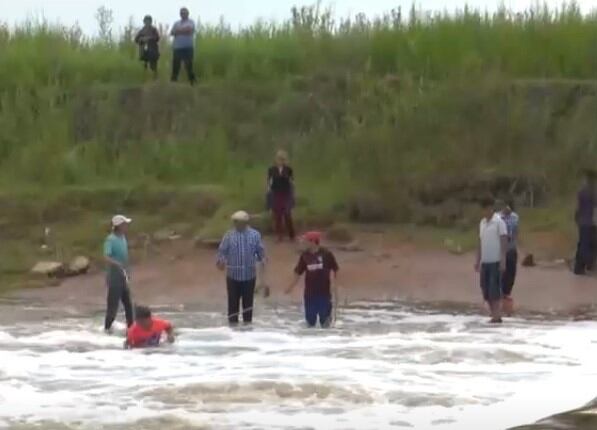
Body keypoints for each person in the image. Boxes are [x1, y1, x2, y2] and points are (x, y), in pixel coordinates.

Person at [217, 211, 266, 325]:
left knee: (248, 306)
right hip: (233, 276)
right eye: (235, 222)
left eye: (238, 222)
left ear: (245, 222)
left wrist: (263, 277)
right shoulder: (229, 235)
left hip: (249, 276)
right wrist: (221, 261)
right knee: (232, 305)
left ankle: (247, 330)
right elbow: (222, 252)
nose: (236, 224)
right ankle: (233, 332)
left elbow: (261, 253)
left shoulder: (255, 235)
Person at [285, 232, 339, 328]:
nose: (304, 243)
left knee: (325, 321)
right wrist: (290, 287)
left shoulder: (327, 254)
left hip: (324, 293)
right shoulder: (304, 256)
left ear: (313, 242)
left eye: (306, 241)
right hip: (310, 293)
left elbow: (335, 269)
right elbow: (298, 272)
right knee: (310, 322)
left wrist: (334, 285)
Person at [475, 199, 508, 324]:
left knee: (494, 289)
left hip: (496, 261)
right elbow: (480, 242)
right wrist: (477, 260)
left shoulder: (499, 222)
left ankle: (497, 315)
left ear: (490, 208)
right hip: (485, 261)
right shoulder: (482, 223)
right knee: (485, 289)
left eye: (485, 209)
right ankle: (494, 313)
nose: (484, 212)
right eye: (482, 209)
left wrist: (503, 259)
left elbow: (504, 240)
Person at [104, 215, 134, 333]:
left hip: (123, 276)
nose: (127, 226)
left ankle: (131, 329)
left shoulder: (123, 238)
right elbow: (106, 256)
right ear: (119, 226)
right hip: (114, 277)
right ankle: (107, 329)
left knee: (128, 305)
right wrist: (118, 264)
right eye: (125, 224)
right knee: (113, 306)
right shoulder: (110, 239)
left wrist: (127, 271)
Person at [267, 150, 296, 242]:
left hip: (286, 193)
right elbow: (269, 182)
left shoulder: (288, 169)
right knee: (277, 215)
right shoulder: (272, 169)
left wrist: (293, 194)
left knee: (287, 214)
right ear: (276, 159)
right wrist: (269, 192)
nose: (280, 161)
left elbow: (292, 182)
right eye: (279, 159)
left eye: (282, 159)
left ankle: (292, 235)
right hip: (276, 193)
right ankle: (279, 235)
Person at [498, 199, 520, 316]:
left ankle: (507, 292)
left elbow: (516, 232)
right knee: (502, 271)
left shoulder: (515, 217)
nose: (507, 209)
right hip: (500, 249)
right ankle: (500, 292)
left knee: (511, 271)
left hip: (512, 248)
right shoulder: (497, 218)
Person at [574, 170, 597, 275]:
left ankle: (579, 268)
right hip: (589, 222)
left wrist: (577, 218)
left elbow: (578, 207)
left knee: (583, 244)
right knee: (587, 245)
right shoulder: (591, 192)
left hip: (584, 222)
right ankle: (586, 266)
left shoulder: (582, 191)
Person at [170, 7, 196, 84]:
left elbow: (190, 31)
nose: (183, 14)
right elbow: (172, 33)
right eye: (181, 13)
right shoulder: (176, 23)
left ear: (188, 14)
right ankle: (173, 83)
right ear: (180, 14)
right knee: (176, 65)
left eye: (184, 13)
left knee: (189, 65)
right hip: (177, 47)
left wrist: (178, 31)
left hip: (188, 47)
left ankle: (192, 83)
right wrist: (183, 30)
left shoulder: (191, 22)